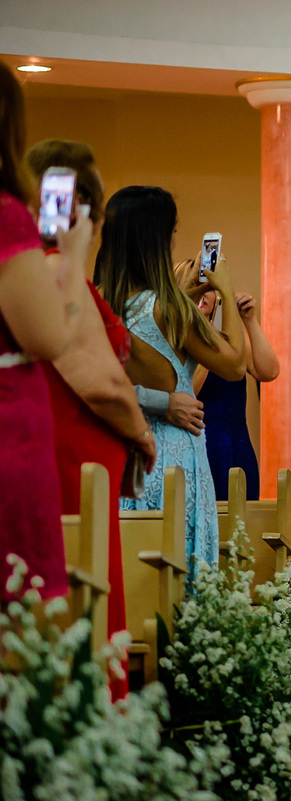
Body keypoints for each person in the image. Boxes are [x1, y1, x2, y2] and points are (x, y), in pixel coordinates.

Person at [26, 140, 157, 693]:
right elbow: (99, 383)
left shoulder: (29, 270)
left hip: (65, 452)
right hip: (73, 456)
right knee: (83, 591)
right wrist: (141, 433)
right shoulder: (59, 271)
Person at [94, 186, 246, 575]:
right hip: (173, 457)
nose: (175, 240)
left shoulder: (98, 302)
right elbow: (235, 364)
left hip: (121, 452)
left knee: (131, 571)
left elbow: (91, 383)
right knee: (179, 573)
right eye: (173, 231)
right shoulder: (172, 309)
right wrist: (225, 289)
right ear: (157, 239)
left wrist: (181, 296)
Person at [0, 63, 93, 600]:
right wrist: (74, 255)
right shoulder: (7, 218)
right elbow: (50, 338)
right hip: (9, 428)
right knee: (18, 598)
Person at [182, 261, 279, 501]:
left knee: (241, 521)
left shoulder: (230, 342)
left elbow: (269, 371)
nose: (203, 292)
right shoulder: (179, 341)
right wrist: (208, 338)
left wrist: (249, 321)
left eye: (208, 286)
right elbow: (190, 390)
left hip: (237, 446)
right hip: (197, 449)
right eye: (195, 284)